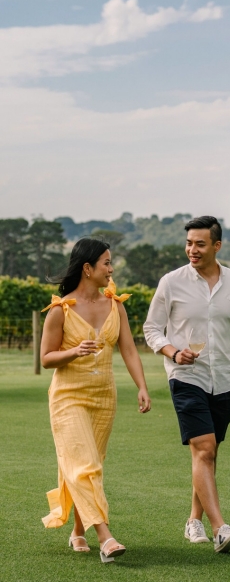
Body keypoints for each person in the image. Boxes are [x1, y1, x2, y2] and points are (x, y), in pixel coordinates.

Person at [143, 215, 230, 553]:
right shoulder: (171, 282)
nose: (192, 249)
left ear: (217, 246)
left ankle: (194, 520)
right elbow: (151, 329)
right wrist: (173, 353)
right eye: (189, 243)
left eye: (200, 243)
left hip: (225, 379)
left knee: (207, 452)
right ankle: (221, 529)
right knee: (204, 448)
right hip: (185, 377)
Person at [40, 237, 152, 563]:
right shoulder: (60, 311)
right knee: (84, 465)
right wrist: (74, 352)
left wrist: (142, 386)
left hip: (104, 397)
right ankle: (106, 538)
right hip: (67, 397)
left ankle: (78, 531)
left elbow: (129, 348)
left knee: (90, 467)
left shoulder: (115, 304)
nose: (111, 268)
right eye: (106, 262)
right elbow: (46, 358)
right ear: (87, 268)